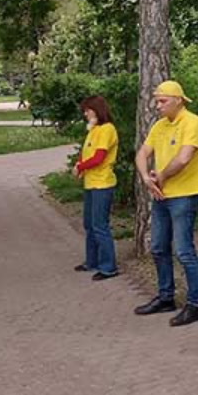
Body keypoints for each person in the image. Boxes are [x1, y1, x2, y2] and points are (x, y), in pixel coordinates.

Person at [133, 80, 198, 327]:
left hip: (184, 194)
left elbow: (185, 157)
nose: (158, 106)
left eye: (163, 101)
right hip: (161, 194)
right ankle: (166, 297)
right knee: (157, 247)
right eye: (157, 101)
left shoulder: (193, 123)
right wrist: (147, 178)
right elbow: (142, 154)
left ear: (178, 100)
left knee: (184, 250)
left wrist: (161, 176)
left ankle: (195, 304)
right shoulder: (160, 126)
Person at [73, 95, 119, 281]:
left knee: (100, 225)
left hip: (102, 183)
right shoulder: (93, 130)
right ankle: (92, 260)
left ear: (96, 110)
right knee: (89, 224)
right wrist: (79, 165)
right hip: (90, 183)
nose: (85, 114)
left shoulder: (107, 130)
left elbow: (99, 157)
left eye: (87, 110)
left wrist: (80, 167)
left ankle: (109, 266)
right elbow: (86, 154)